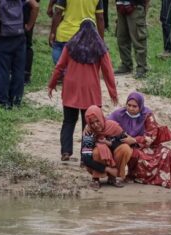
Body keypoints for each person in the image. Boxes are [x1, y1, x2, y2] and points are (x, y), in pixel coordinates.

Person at [47, 19, 118, 161]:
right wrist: (113, 92)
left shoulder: (70, 45)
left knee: (68, 121)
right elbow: (108, 71)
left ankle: (65, 152)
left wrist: (52, 84)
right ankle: (85, 156)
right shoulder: (100, 48)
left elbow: (59, 66)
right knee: (90, 125)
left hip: (70, 89)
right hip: (90, 91)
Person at [108, 91, 171, 188]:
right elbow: (105, 124)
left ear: (140, 106)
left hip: (144, 144)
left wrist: (135, 140)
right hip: (126, 145)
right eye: (129, 105)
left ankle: (158, 178)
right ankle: (133, 176)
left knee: (167, 153)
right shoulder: (119, 114)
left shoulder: (147, 115)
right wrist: (88, 127)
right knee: (132, 153)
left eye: (134, 106)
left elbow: (151, 135)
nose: (131, 108)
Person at [0, 0, 39, 109]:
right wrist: (28, 26)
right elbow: (35, 6)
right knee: (18, 70)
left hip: (2, 36)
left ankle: (2, 102)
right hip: (19, 35)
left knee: (2, 69)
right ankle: (16, 101)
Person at [83, 105, 133, 189]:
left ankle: (113, 178)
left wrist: (108, 143)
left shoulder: (113, 126)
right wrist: (108, 169)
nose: (95, 125)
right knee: (98, 150)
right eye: (91, 123)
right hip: (97, 163)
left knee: (125, 148)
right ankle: (96, 179)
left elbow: (125, 140)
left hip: (114, 158)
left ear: (101, 118)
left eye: (97, 121)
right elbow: (86, 159)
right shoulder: (89, 133)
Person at [48, 0, 105, 65]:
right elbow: (100, 17)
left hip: (64, 36)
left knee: (60, 70)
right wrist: (101, 40)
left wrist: (52, 33)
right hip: (84, 38)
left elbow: (58, 12)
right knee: (76, 71)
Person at [114, 0, 149, 79]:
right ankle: (126, 65)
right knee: (121, 38)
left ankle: (142, 68)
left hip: (135, 6)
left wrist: (144, 9)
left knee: (138, 39)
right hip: (121, 6)